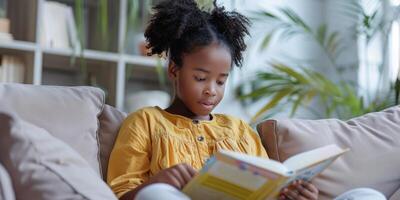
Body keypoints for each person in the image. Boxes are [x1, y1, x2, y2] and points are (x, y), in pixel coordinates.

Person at [107, 1, 386, 200]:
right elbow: (117, 194)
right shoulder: (144, 122)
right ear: (174, 70)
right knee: (157, 195)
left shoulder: (239, 130)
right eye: (201, 78)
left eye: (221, 80)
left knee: (367, 196)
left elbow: (266, 188)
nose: (211, 90)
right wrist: (156, 182)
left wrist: (294, 194)